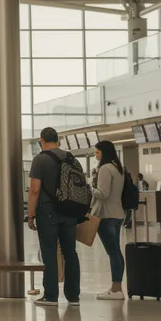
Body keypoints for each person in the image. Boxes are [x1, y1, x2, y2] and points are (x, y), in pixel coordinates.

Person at [27, 127, 80, 307]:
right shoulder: (71, 159)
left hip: (48, 211)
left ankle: (51, 296)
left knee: (49, 253)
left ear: (42, 140)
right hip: (70, 212)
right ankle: (73, 297)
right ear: (58, 140)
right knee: (70, 253)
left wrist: (31, 215)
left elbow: (34, 189)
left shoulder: (40, 159)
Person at [90, 141, 127, 300]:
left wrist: (89, 188)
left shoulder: (105, 169)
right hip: (118, 213)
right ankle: (116, 287)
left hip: (106, 215)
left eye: (97, 153)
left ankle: (116, 289)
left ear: (104, 153)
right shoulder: (118, 168)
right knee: (116, 251)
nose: (95, 156)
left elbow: (103, 193)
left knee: (113, 252)